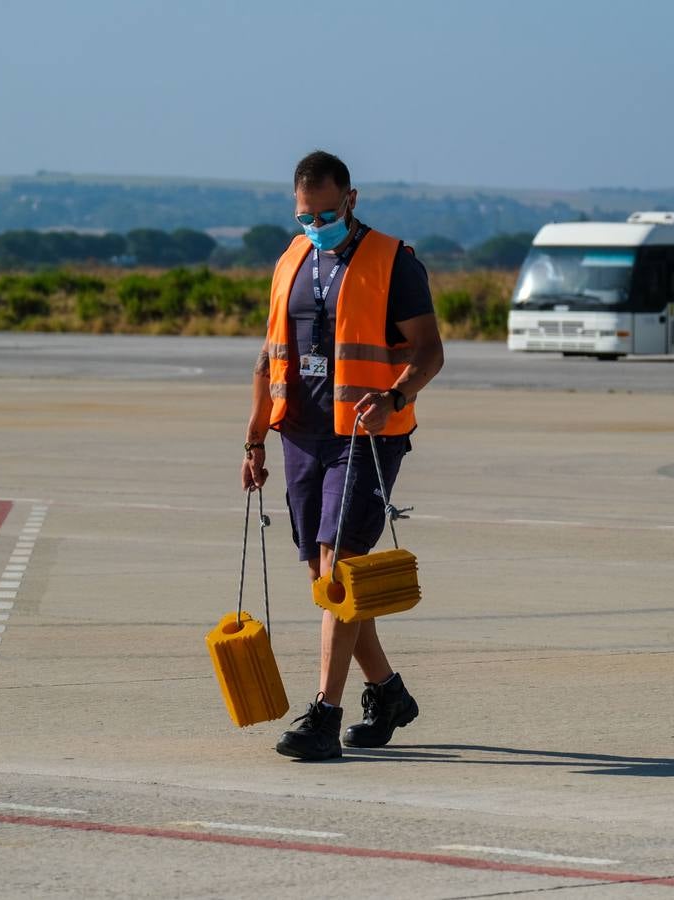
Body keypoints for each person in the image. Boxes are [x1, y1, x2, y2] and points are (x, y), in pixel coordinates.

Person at [240, 150, 445, 761]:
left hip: (366, 435)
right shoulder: (291, 259)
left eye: (327, 212)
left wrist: (396, 395)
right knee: (324, 580)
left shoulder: (394, 261)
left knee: (340, 572)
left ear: (351, 199)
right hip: (299, 434)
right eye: (306, 214)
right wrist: (255, 438)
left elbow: (429, 350)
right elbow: (267, 355)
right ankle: (387, 693)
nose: (316, 223)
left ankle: (324, 714)